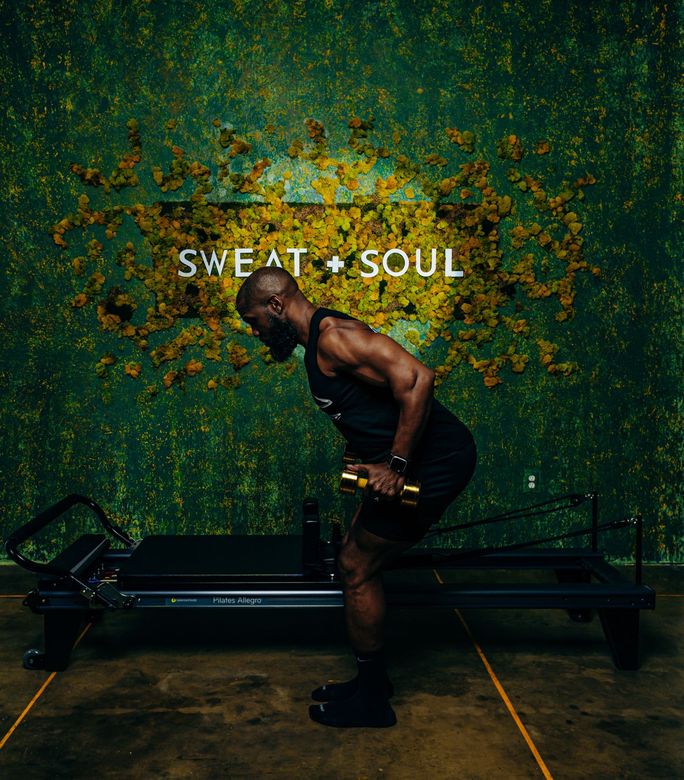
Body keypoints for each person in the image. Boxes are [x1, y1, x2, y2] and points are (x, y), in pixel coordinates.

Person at [236, 267, 477, 728]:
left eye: (254, 322)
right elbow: (371, 401)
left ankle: (372, 703)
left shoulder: (334, 339)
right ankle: (373, 685)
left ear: (275, 306)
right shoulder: (319, 344)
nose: (256, 333)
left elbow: (418, 378)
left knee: (355, 565)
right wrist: (364, 451)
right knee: (354, 555)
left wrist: (397, 464)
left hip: (438, 461)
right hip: (424, 459)